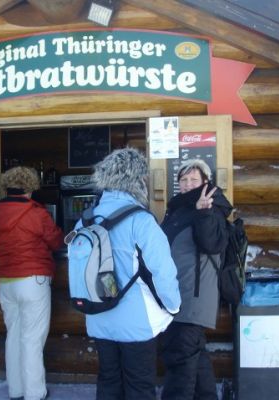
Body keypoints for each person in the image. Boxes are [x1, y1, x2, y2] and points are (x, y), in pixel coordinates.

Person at [77, 148, 181, 400]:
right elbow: (162, 271)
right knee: (139, 387)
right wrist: (173, 306)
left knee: (109, 381)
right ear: (137, 181)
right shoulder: (141, 220)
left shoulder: (85, 220)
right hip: (136, 323)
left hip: (98, 316)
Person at [0, 166, 64, 400]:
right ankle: (35, 394)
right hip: (33, 280)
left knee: (14, 336)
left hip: (6, 280)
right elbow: (56, 241)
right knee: (32, 339)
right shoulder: (36, 213)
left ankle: (17, 390)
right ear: (30, 188)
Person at [160, 159, 232, 400]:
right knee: (194, 356)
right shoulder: (178, 209)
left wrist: (204, 212)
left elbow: (212, 245)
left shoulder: (212, 207)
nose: (188, 184)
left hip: (193, 295)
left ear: (205, 182)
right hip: (177, 293)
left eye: (193, 179)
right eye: (183, 179)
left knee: (180, 359)